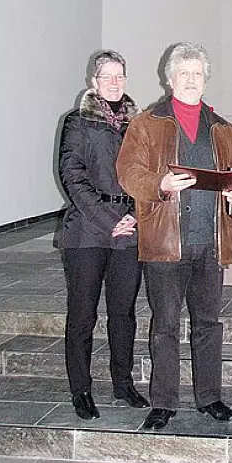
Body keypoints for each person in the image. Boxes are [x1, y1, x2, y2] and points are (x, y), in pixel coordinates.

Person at [116, 43, 232, 431]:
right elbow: (127, 172)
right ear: (170, 79)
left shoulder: (223, 129)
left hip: (211, 242)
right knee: (165, 326)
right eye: (184, 73)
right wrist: (159, 183)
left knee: (209, 323)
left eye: (197, 74)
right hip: (164, 243)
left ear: (205, 80)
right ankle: (164, 401)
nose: (191, 80)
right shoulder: (146, 123)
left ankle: (210, 397)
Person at [58, 50, 149, 420]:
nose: (114, 82)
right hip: (87, 230)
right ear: (94, 81)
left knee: (123, 313)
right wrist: (109, 218)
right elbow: (72, 175)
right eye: (107, 76)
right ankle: (81, 389)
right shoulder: (78, 122)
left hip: (129, 228)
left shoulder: (139, 125)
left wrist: (133, 215)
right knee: (82, 314)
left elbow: (148, 174)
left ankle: (123, 383)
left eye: (120, 76)